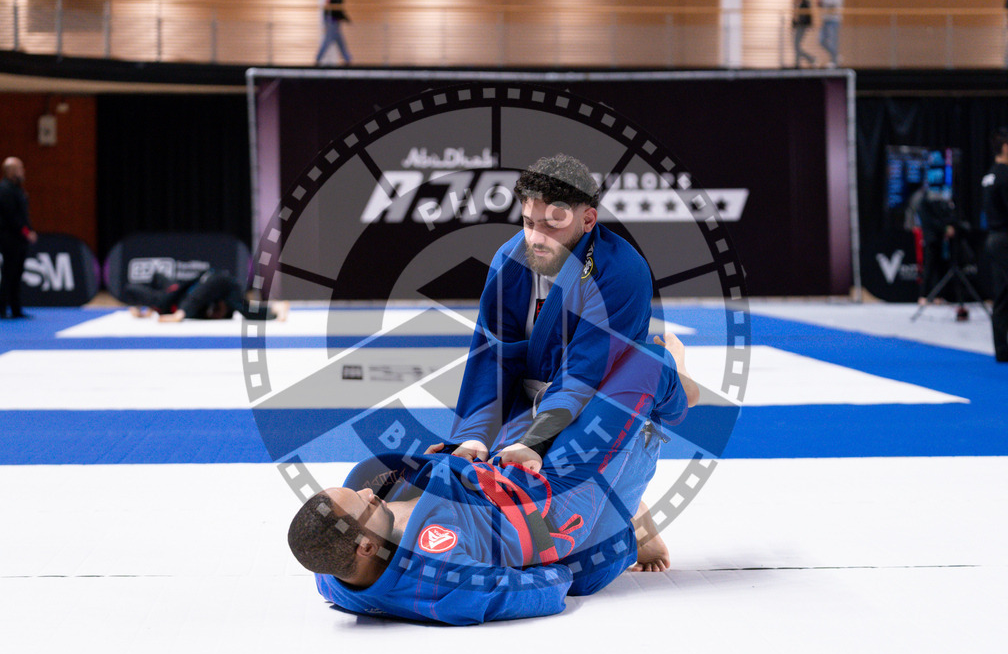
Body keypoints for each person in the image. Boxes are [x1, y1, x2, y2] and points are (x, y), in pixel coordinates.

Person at [288, 333, 700, 624]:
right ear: (364, 545)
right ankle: (678, 395)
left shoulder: (336, 573)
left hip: (496, 472)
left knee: (528, 365)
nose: (366, 493)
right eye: (364, 502)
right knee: (648, 364)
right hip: (557, 499)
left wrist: (448, 463)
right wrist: (556, 549)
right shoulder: (446, 586)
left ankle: (621, 513)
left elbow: (335, 545)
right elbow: (549, 588)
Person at [437, 154, 655, 475]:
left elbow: (586, 370)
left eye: (552, 226)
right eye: (529, 223)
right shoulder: (508, 262)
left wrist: (536, 440)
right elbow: (493, 359)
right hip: (534, 404)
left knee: (583, 503)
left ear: (588, 220)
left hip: (604, 408)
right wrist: (473, 435)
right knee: (488, 479)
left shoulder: (622, 272)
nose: (536, 238)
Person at [123, 269, 289, 322]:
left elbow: (198, 296)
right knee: (156, 286)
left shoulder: (223, 297)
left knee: (245, 310)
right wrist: (148, 312)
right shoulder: (214, 290)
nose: (216, 316)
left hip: (178, 299)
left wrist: (180, 314)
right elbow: (198, 294)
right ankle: (276, 307)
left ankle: (276, 307)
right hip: (178, 294)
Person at [0, 157, 38, 320]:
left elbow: (23, 215)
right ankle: (2, 308)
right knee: (9, 273)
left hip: (19, 239)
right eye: (20, 168)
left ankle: (16, 308)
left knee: (17, 274)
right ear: (11, 171)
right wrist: (26, 232)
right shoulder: (4, 189)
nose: (23, 171)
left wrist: (28, 230)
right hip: (10, 238)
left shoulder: (17, 189)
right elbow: (12, 217)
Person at [981, 128, 1008, 362]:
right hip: (1005, 237)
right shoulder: (1005, 175)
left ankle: (1002, 348)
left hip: (994, 237)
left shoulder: (989, 175)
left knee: (1002, 294)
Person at [315, 0, 351, 66]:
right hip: (332, 24)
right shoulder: (332, 3)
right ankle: (318, 59)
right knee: (327, 43)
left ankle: (347, 59)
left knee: (340, 43)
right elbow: (337, 12)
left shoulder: (335, 2)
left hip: (334, 24)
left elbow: (339, 11)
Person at [818, 0, 842, 67]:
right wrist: (819, 1)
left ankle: (834, 60)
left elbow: (834, 3)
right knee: (821, 40)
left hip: (833, 20)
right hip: (825, 19)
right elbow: (822, 4)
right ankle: (836, 56)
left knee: (832, 41)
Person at [792, 0, 816, 68]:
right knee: (796, 45)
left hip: (803, 26)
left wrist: (809, 24)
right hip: (798, 26)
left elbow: (808, 14)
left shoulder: (806, 1)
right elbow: (795, 15)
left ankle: (810, 58)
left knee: (796, 45)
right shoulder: (796, 2)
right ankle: (798, 63)